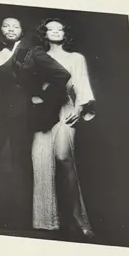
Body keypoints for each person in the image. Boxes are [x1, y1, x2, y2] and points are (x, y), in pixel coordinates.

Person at [0, 17, 70, 231]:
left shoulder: (32, 52)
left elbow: (62, 74)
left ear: (21, 31)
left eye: (15, 26)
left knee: (21, 164)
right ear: (0, 29)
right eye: (6, 26)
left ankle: (22, 221)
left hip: (22, 116)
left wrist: (42, 96)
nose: (10, 29)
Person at [29, 18, 96, 238]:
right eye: (51, 29)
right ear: (44, 33)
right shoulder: (37, 56)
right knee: (40, 161)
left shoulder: (76, 58)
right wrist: (32, 98)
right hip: (42, 113)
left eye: (60, 29)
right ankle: (46, 221)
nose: (56, 31)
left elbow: (82, 84)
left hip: (66, 110)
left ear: (65, 33)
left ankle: (78, 217)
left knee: (63, 157)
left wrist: (79, 108)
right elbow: (27, 84)